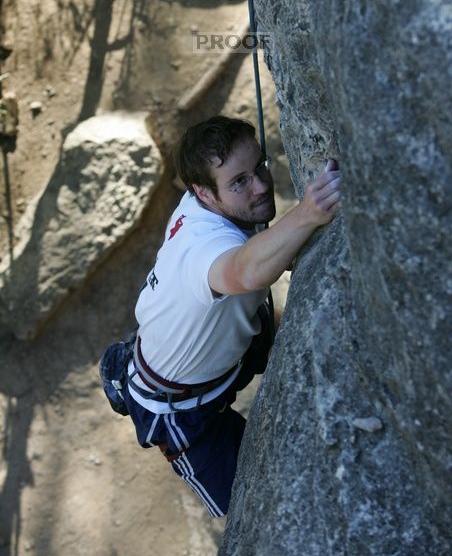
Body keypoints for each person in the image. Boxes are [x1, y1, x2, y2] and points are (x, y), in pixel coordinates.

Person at [122, 116, 341, 518]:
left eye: (259, 166)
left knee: (270, 320)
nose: (261, 185)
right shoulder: (204, 246)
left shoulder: (209, 207)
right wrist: (309, 211)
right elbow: (244, 271)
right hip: (179, 409)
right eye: (239, 182)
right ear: (202, 193)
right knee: (252, 508)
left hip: (221, 346)